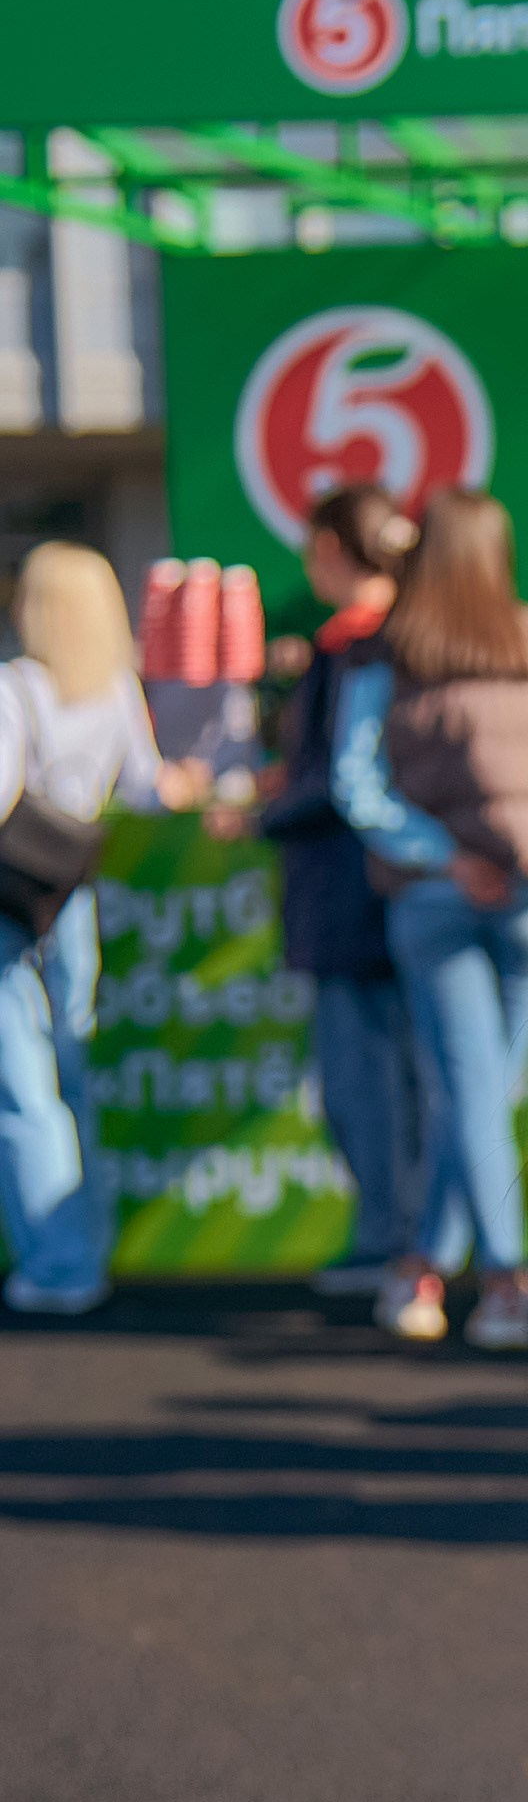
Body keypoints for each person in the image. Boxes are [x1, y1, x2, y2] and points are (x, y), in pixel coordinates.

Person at [332, 489, 528, 1354]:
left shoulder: (388, 649)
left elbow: (358, 786)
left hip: (434, 896)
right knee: (483, 1088)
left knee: (469, 1087)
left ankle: (479, 1273)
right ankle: (460, 1267)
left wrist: (438, 852)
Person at [0, 545, 181, 1315]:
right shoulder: (114, 688)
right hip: (72, 901)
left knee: (22, 1090)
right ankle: (84, 1248)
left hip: (11, 904)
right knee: (71, 1080)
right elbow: (149, 788)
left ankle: (59, 1258)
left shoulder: (16, 687)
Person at [262, 485, 424, 1295]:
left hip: (349, 891)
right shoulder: (410, 632)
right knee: (402, 1072)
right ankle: (409, 1236)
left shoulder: (356, 645)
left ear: (332, 548)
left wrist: (265, 809)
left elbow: (339, 780)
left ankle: (389, 1239)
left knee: (366, 1076)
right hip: (395, 888)